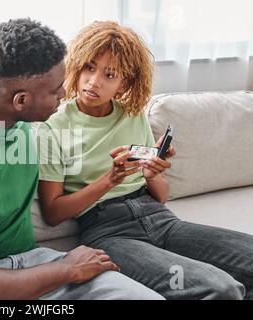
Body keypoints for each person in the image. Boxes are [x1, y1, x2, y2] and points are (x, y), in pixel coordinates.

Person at [0, 18, 163, 300]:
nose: (65, 95)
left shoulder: (19, 126)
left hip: (33, 263)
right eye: (56, 91)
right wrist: (67, 269)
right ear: (21, 100)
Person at [37, 20, 253, 300]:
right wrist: (109, 180)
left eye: (109, 74)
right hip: (109, 232)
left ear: (124, 82)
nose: (94, 81)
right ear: (77, 65)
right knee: (221, 288)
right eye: (89, 68)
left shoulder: (132, 114)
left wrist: (153, 173)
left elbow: (161, 196)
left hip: (160, 219)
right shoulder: (52, 127)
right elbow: (53, 213)